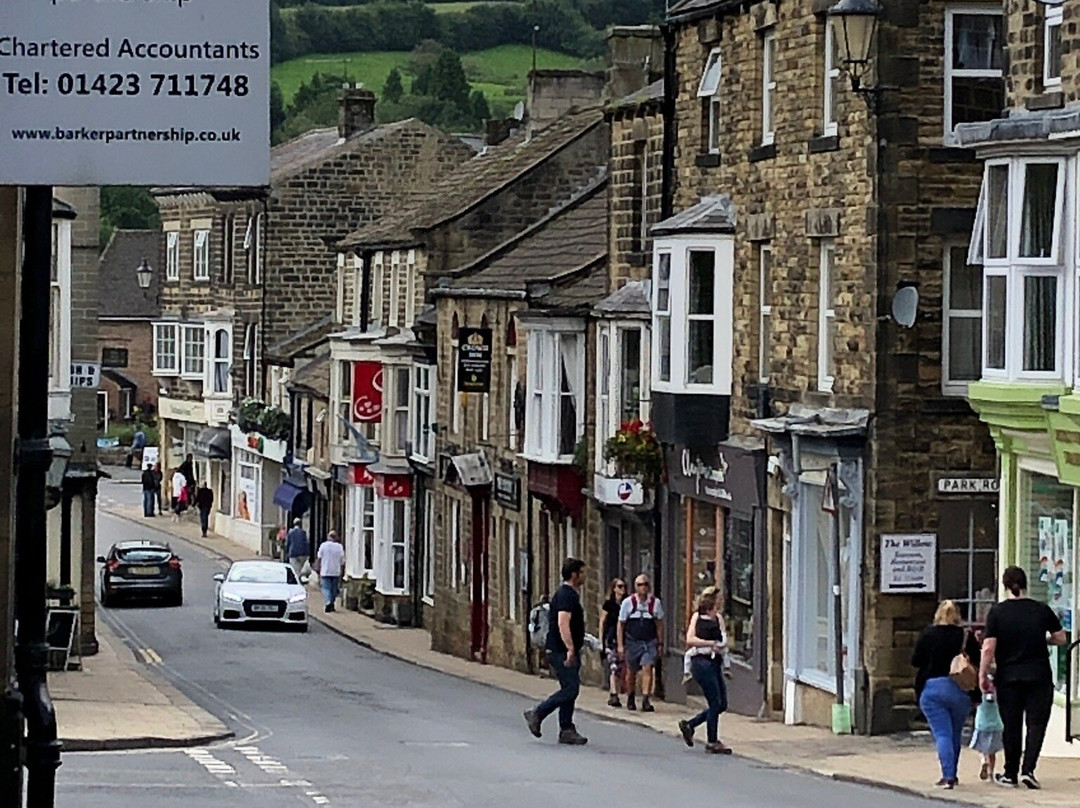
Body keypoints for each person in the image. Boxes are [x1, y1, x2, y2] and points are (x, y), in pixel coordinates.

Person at [979, 566, 1068, 790]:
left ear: (1005, 586)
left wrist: (982, 673)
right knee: (1036, 724)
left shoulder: (998, 612)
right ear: (1026, 584)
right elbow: (1061, 638)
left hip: (1009, 677)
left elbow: (989, 647)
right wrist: (1043, 641)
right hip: (1039, 675)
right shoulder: (1041, 610)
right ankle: (1028, 769)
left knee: (1012, 725)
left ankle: (1010, 773)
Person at [911, 599, 981, 789]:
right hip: (960, 689)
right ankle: (953, 774)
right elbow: (978, 661)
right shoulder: (966, 636)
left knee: (942, 733)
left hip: (933, 688)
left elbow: (916, 661)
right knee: (955, 734)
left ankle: (947, 776)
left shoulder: (928, 634)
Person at [523, 558, 588, 745]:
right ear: (574, 574)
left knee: (570, 688)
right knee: (571, 688)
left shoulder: (567, 594)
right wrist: (570, 648)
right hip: (561, 650)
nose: (584, 576)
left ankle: (566, 729)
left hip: (561, 649)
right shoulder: (567, 595)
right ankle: (538, 712)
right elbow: (562, 622)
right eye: (582, 572)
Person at [677, 589, 732, 754]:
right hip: (701, 663)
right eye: (719, 598)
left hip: (715, 662)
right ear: (712, 600)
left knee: (722, 704)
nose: (722, 601)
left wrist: (721, 646)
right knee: (714, 702)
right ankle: (712, 741)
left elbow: (723, 640)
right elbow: (690, 639)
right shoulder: (697, 617)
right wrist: (709, 643)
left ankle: (690, 725)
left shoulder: (719, 618)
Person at [618, 574, 664, 712]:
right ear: (635, 587)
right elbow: (620, 625)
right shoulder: (628, 603)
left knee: (647, 667)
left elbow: (659, 623)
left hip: (649, 641)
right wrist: (620, 645)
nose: (643, 588)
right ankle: (631, 696)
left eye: (645, 584)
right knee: (631, 671)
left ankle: (645, 699)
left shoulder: (655, 603)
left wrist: (660, 642)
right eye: (639, 585)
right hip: (633, 640)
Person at [599, 578, 627, 707]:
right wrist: (601, 641)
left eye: (624, 586)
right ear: (614, 588)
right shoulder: (609, 604)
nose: (622, 589)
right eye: (620, 586)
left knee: (621, 667)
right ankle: (614, 694)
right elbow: (602, 622)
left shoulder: (627, 603)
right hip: (611, 638)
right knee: (614, 666)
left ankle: (615, 691)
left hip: (625, 638)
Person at [970, 679, 1004, 782]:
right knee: (992, 752)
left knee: (982, 748)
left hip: (982, 725)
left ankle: (984, 761)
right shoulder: (998, 695)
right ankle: (990, 774)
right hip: (996, 725)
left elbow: (975, 704)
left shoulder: (980, 695)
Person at [314, 531, 344, 612]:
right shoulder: (339, 547)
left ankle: (328, 602)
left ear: (328, 537)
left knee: (326, 588)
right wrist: (342, 569)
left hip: (325, 570)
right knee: (334, 589)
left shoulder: (323, 545)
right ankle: (331, 603)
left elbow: (319, 557)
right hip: (336, 571)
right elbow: (342, 560)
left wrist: (317, 567)